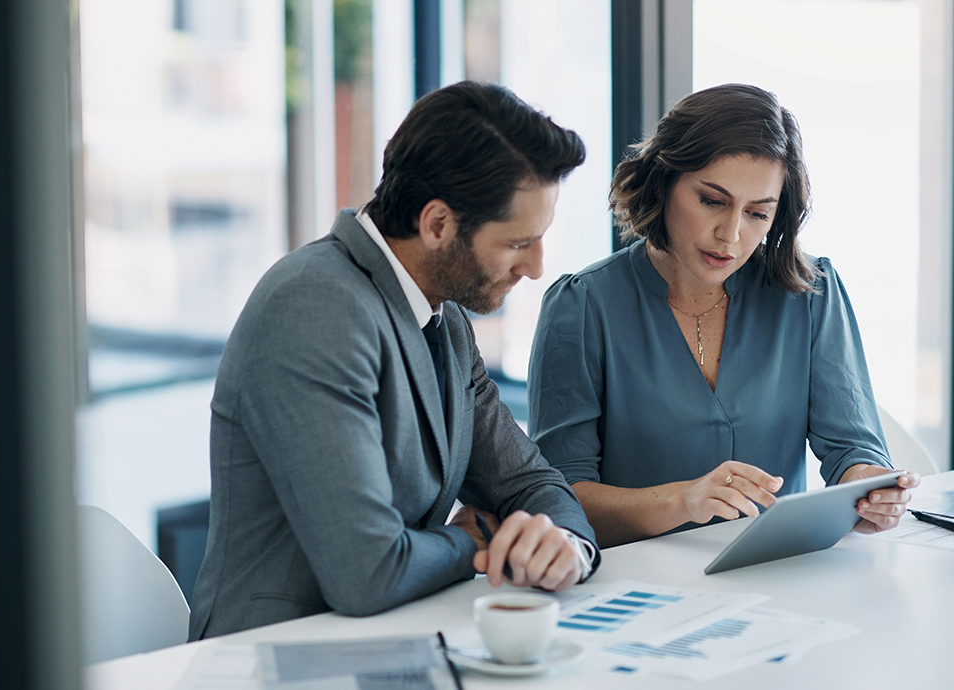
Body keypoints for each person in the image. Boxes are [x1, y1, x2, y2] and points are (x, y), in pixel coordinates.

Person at [188, 81, 600, 640]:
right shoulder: (313, 306)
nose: (536, 268)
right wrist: (476, 541)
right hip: (278, 657)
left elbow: (529, 480)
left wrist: (564, 545)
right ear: (437, 224)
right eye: (517, 243)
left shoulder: (444, 318)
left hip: (398, 641)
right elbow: (368, 571)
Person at [527, 83, 919, 549]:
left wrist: (870, 487)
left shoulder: (810, 293)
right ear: (664, 182)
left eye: (757, 213)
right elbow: (558, 500)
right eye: (712, 201)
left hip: (775, 573)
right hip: (635, 585)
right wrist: (682, 500)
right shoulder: (582, 306)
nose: (730, 234)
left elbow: (852, 447)